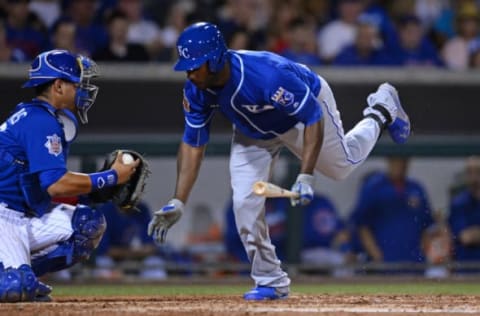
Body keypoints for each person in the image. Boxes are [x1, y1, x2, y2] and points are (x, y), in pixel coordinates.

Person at [147, 22, 410, 301]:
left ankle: (381, 109)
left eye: (195, 65)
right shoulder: (195, 89)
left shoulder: (265, 76)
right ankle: (271, 280)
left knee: (342, 167)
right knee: (244, 203)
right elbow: (192, 143)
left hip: (302, 115)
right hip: (253, 133)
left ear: (214, 60)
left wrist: (306, 175)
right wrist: (179, 199)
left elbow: (312, 117)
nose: (189, 72)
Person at [0, 49, 139, 302]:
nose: (83, 90)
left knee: (87, 224)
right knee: (15, 287)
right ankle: (13, 275)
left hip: (22, 214)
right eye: (78, 84)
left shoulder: (42, 116)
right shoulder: (39, 120)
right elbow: (55, 185)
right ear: (58, 85)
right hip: (3, 215)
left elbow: (43, 188)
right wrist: (110, 177)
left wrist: (93, 189)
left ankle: (21, 272)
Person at [349, 157, 435, 267]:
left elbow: (427, 225)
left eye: (403, 160)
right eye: (396, 160)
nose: (400, 165)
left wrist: (423, 253)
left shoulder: (416, 188)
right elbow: (362, 225)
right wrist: (376, 255)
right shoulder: (374, 187)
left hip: (414, 262)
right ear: (389, 161)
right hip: (385, 262)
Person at [448, 156, 480, 267]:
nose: (474, 177)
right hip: (465, 269)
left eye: (478, 171)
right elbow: (465, 237)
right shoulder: (459, 203)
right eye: (470, 172)